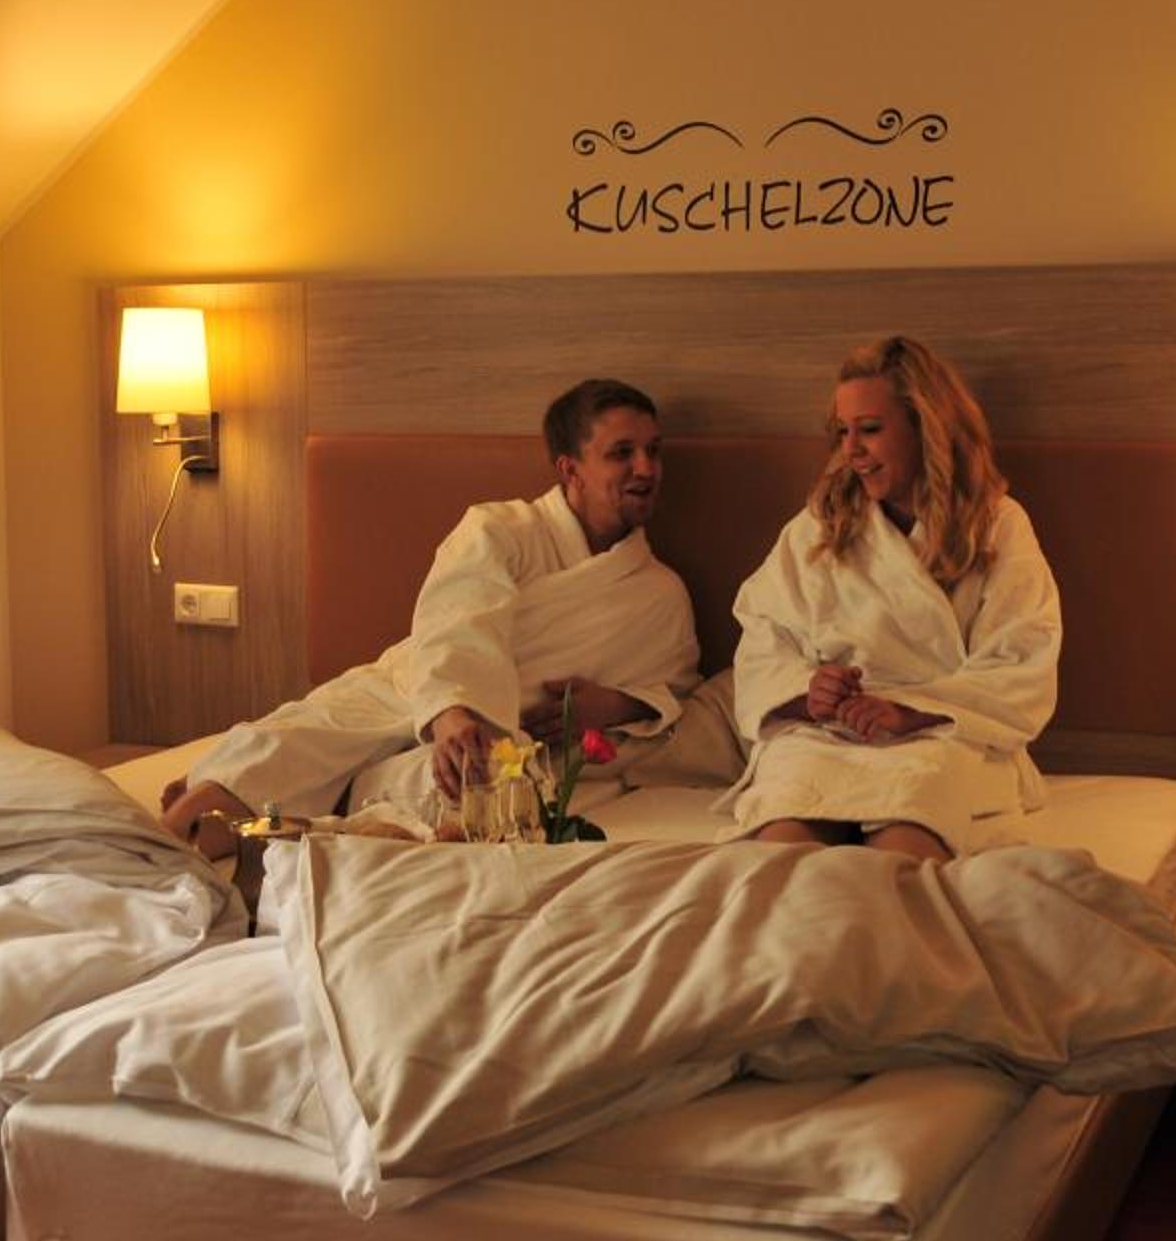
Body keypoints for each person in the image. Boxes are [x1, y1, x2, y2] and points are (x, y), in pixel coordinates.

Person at [159, 378, 699, 859]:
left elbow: (675, 688)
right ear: (569, 468)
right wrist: (451, 712)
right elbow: (456, 620)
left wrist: (616, 705)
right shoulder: (499, 529)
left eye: (653, 451)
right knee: (280, 749)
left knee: (449, 789)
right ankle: (158, 858)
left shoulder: (659, 593)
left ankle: (323, 833)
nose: (646, 469)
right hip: (411, 689)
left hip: (508, 745)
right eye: (622, 453)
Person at [726, 335, 1060, 860]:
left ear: (926, 428)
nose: (851, 450)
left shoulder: (996, 526)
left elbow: (1021, 663)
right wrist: (808, 691)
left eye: (870, 430)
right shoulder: (819, 525)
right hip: (826, 737)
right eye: (843, 432)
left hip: (943, 736)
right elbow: (762, 641)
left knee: (899, 853)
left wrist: (909, 712)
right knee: (779, 856)